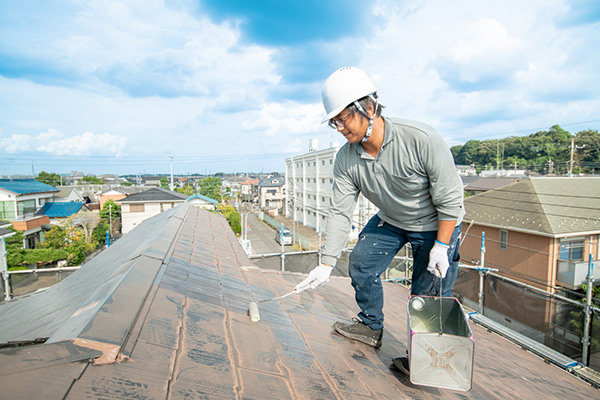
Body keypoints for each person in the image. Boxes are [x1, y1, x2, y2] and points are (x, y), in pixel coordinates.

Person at [295, 67, 464, 366]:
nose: (339, 129)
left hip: (435, 224)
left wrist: (441, 246)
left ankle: (425, 359)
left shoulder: (421, 139)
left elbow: (451, 200)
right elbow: (339, 210)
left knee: (427, 294)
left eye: (343, 119)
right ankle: (370, 325)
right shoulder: (346, 158)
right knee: (362, 261)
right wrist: (325, 263)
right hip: (392, 219)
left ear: (369, 108)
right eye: (334, 122)